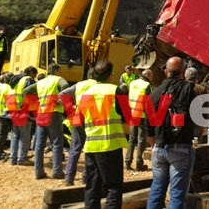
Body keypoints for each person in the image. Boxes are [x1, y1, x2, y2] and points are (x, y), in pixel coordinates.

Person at [146, 56, 196, 209]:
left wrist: (155, 145)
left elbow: (148, 125)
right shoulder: (189, 89)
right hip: (181, 148)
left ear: (166, 71)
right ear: (183, 72)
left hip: (159, 147)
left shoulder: (155, 93)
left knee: (157, 189)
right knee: (177, 194)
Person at [81, 60, 128, 209]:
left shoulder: (86, 94)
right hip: (110, 146)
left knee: (92, 187)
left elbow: (80, 120)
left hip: (91, 147)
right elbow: (128, 117)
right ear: (111, 74)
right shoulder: (116, 91)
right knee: (113, 187)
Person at [24, 63, 69, 179]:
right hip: (54, 113)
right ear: (56, 71)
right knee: (57, 142)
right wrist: (60, 99)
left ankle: (38, 172)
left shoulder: (41, 82)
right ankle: (57, 171)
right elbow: (66, 86)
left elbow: (26, 90)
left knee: (39, 144)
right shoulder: (58, 79)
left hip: (41, 113)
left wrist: (35, 103)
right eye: (60, 71)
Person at [60, 69, 97, 186]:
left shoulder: (79, 85)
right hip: (92, 117)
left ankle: (69, 178)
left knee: (75, 148)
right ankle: (85, 178)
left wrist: (70, 109)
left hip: (78, 115)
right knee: (89, 148)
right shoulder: (98, 85)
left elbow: (62, 94)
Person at [8, 66, 37, 165]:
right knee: (24, 135)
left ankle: (13, 158)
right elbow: (30, 95)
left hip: (14, 109)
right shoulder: (28, 80)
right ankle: (22, 158)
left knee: (15, 135)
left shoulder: (15, 80)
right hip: (23, 110)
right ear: (31, 72)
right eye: (35, 74)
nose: (35, 77)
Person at [125, 68, 153, 171]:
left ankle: (127, 162)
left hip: (132, 113)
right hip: (142, 115)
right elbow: (148, 102)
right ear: (148, 76)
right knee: (141, 139)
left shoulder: (132, 83)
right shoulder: (147, 85)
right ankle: (139, 163)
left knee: (132, 139)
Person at [184, 67, 209, 140]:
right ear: (196, 77)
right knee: (197, 143)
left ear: (185, 76)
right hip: (198, 121)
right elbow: (205, 107)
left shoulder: (181, 88)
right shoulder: (202, 89)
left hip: (184, 121)